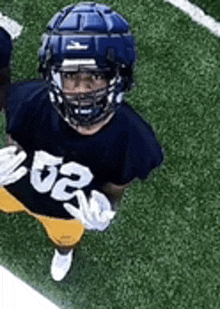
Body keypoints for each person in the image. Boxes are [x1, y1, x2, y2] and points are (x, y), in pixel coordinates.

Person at [0, 2, 164, 282]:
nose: (82, 87)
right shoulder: (25, 101)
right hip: (17, 190)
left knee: (64, 240)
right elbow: (14, 150)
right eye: (71, 75)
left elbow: (115, 188)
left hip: (67, 211)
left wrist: (106, 209)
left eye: (97, 75)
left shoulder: (134, 139)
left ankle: (64, 253)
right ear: (54, 76)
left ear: (118, 76)